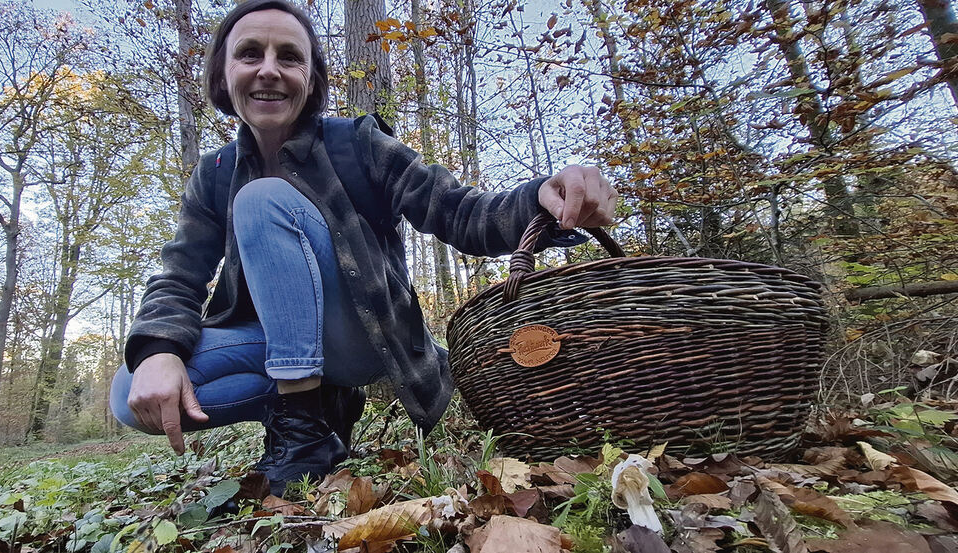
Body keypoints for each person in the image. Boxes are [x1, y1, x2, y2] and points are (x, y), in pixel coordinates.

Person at [109, 0, 618, 496]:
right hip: (279, 344)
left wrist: (540, 198)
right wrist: (159, 350)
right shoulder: (214, 175)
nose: (268, 70)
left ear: (311, 79)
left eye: (289, 56)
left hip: (365, 334)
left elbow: (457, 212)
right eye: (249, 54)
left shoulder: (357, 145)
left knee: (262, 201)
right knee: (131, 391)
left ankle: (306, 437)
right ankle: (312, 412)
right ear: (223, 75)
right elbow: (180, 275)